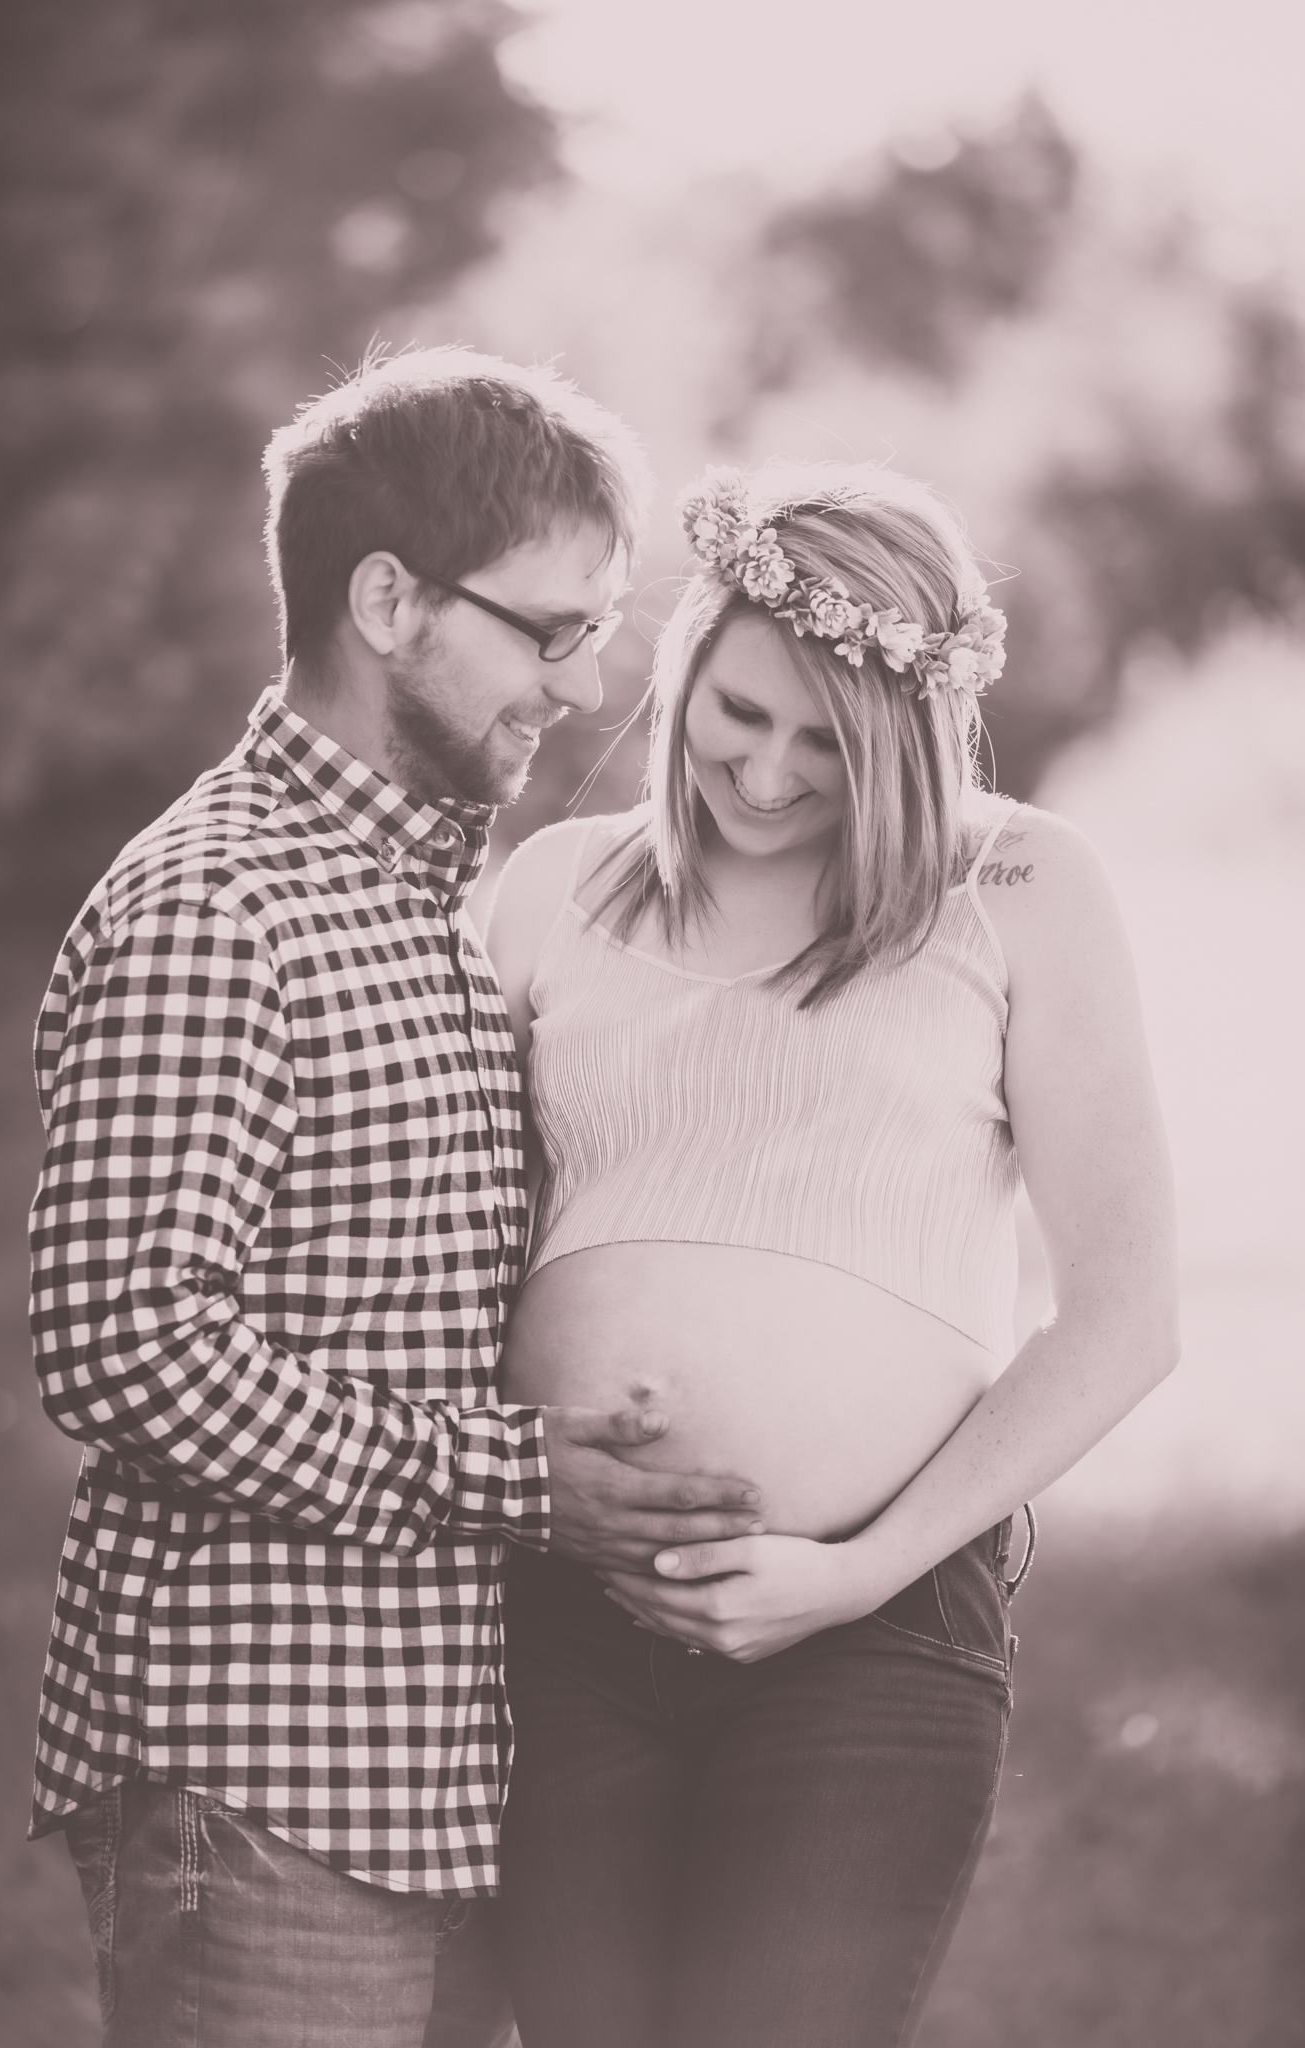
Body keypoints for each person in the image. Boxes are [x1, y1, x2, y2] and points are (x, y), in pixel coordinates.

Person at [26, 350, 767, 2048]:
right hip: (263, 1779)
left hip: (431, 1782)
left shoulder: (415, 896)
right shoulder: (216, 910)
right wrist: (516, 1474)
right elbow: (124, 1346)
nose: (580, 691)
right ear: (387, 600)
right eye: (550, 631)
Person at [486, 460, 1181, 2048]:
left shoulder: (1012, 885)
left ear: (915, 736)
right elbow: (428, 1242)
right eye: (740, 713)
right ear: (682, 669)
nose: (773, 775)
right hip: (560, 1608)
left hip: (873, 1622)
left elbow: (1125, 1318)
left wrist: (855, 1567)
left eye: (830, 742)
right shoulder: (546, 891)